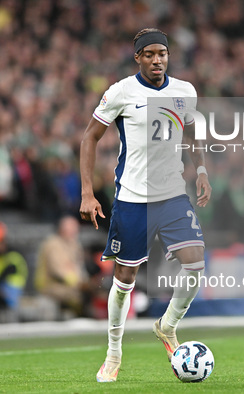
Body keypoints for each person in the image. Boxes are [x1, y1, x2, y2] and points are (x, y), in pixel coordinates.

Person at [80, 28, 211, 382]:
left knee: (196, 263)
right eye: (150, 54)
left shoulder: (185, 92)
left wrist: (200, 170)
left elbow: (191, 132)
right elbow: (90, 137)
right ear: (137, 57)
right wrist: (87, 193)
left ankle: (167, 326)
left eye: (163, 54)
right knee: (125, 279)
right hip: (133, 200)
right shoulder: (122, 91)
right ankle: (113, 353)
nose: (157, 60)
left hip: (172, 196)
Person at [34, 215, 94, 317]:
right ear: (62, 229)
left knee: (92, 291)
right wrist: (79, 283)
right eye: (73, 228)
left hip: (69, 286)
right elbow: (57, 270)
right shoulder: (53, 244)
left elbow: (78, 267)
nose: (75, 232)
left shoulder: (74, 244)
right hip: (51, 287)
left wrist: (85, 281)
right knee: (83, 297)